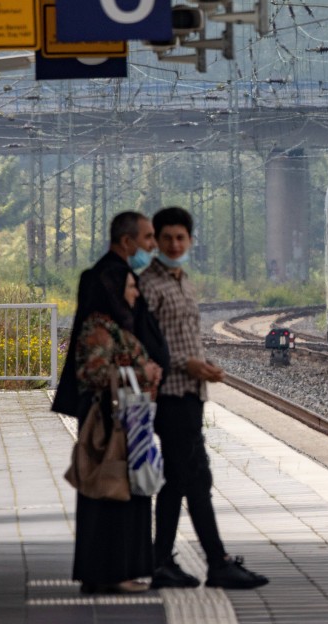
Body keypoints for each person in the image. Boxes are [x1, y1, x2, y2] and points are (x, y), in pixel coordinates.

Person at [138, 206, 268, 591]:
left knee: (179, 480)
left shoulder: (183, 281)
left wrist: (204, 364)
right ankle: (217, 562)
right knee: (195, 477)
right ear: (155, 241)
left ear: (190, 240)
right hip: (170, 395)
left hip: (192, 393)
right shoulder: (149, 285)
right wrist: (188, 364)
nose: (175, 245)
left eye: (181, 238)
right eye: (167, 238)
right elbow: (147, 343)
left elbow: (183, 339)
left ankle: (162, 561)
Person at [72, 269, 163, 594]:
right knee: (113, 493)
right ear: (112, 291)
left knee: (125, 493)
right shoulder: (98, 328)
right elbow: (92, 372)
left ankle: (120, 570)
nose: (135, 293)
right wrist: (141, 371)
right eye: (129, 287)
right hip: (113, 427)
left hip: (127, 423)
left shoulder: (113, 325)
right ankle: (110, 572)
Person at [54, 212, 171, 419]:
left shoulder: (112, 275)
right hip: (110, 407)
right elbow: (125, 331)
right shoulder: (112, 277)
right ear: (126, 241)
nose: (153, 245)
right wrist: (145, 370)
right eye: (147, 237)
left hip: (122, 402)